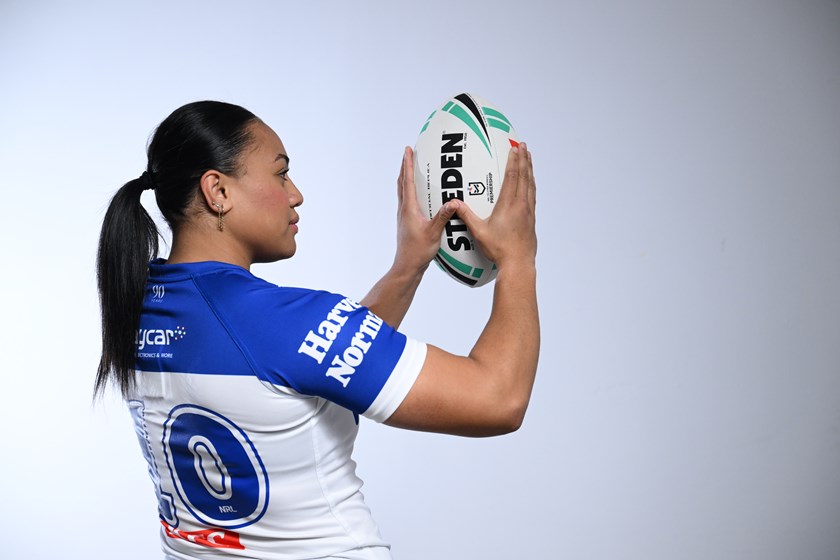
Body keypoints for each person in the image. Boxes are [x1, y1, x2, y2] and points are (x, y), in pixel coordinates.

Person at [96, 100, 539, 560]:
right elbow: (498, 401)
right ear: (218, 191)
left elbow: (314, 368)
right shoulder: (280, 320)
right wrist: (518, 258)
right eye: (281, 173)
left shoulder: (140, 306)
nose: (296, 194)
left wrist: (407, 267)